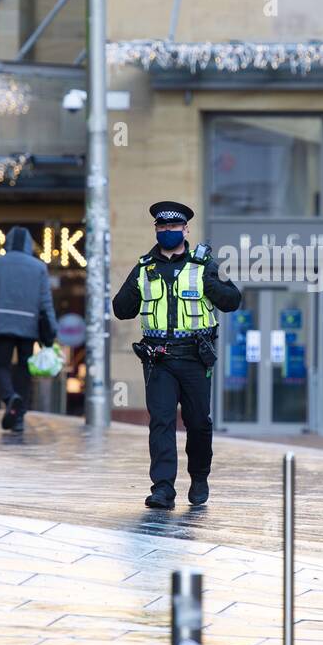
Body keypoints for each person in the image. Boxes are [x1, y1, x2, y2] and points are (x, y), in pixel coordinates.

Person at [112, 201, 241, 509]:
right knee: (161, 422)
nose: (167, 231)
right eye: (162, 227)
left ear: (185, 230)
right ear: (156, 230)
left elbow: (233, 300)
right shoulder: (144, 268)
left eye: (173, 227)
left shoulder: (205, 265)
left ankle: (199, 476)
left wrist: (210, 281)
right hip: (159, 360)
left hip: (196, 357)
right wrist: (135, 286)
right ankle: (163, 488)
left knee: (198, 423)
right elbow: (121, 309)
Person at [0, 226, 57, 433]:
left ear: (6, 242)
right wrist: (52, 330)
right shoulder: (39, 267)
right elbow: (46, 302)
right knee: (24, 370)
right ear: (29, 244)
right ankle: (19, 418)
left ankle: (10, 397)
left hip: (1, 323)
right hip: (29, 326)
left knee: (2, 366)